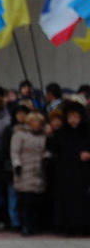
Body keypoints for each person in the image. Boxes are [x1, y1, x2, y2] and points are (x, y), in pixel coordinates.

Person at [47, 100, 90, 236]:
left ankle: (84, 226)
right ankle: (68, 226)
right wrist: (50, 135)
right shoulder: (62, 133)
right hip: (65, 172)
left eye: (76, 117)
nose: (73, 120)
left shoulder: (86, 132)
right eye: (70, 117)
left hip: (83, 172)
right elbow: (53, 148)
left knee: (83, 201)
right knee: (67, 201)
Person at [10, 111, 49, 236]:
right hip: (24, 171)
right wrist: (17, 164)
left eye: (39, 122)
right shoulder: (20, 135)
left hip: (38, 171)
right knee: (25, 201)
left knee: (36, 201)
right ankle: (25, 225)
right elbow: (15, 152)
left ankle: (33, 225)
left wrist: (46, 157)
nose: (36, 124)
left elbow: (45, 150)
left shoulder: (43, 136)